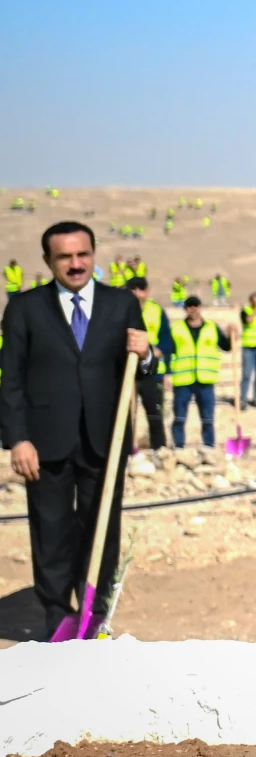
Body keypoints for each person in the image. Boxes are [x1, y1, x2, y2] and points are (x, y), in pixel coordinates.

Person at [2, 223, 150, 631]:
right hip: (44, 442)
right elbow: (9, 380)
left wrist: (147, 353)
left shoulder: (120, 305)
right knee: (50, 530)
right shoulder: (24, 308)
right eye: (64, 257)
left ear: (94, 254)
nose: (75, 264)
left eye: (82, 254)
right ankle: (55, 615)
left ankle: (94, 613)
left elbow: (139, 372)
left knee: (102, 528)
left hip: (105, 437)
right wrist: (17, 439)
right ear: (48, 261)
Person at [166, 295, 232, 449]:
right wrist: (167, 374)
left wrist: (231, 334)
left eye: (196, 306)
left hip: (205, 380)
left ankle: (208, 447)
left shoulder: (212, 327)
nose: (193, 310)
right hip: (183, 380)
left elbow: (226, 346)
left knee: (207, 418)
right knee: (180, 417)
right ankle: (179, 446)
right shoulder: (176, 328)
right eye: (190, 306)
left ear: (201, 308)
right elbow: (168, 353)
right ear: (185, 309)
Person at [126, 273, 167, 454]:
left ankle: (159, 449)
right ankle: (126, 450)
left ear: (147, 292)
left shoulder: (157, 311)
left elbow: (167, 339)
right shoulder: (119, 311)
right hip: (127, 372)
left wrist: (159, 350)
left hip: (151, 371)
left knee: (154, 412)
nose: (137, 293)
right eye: (133, 289)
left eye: (141, 289)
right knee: (125, 414)